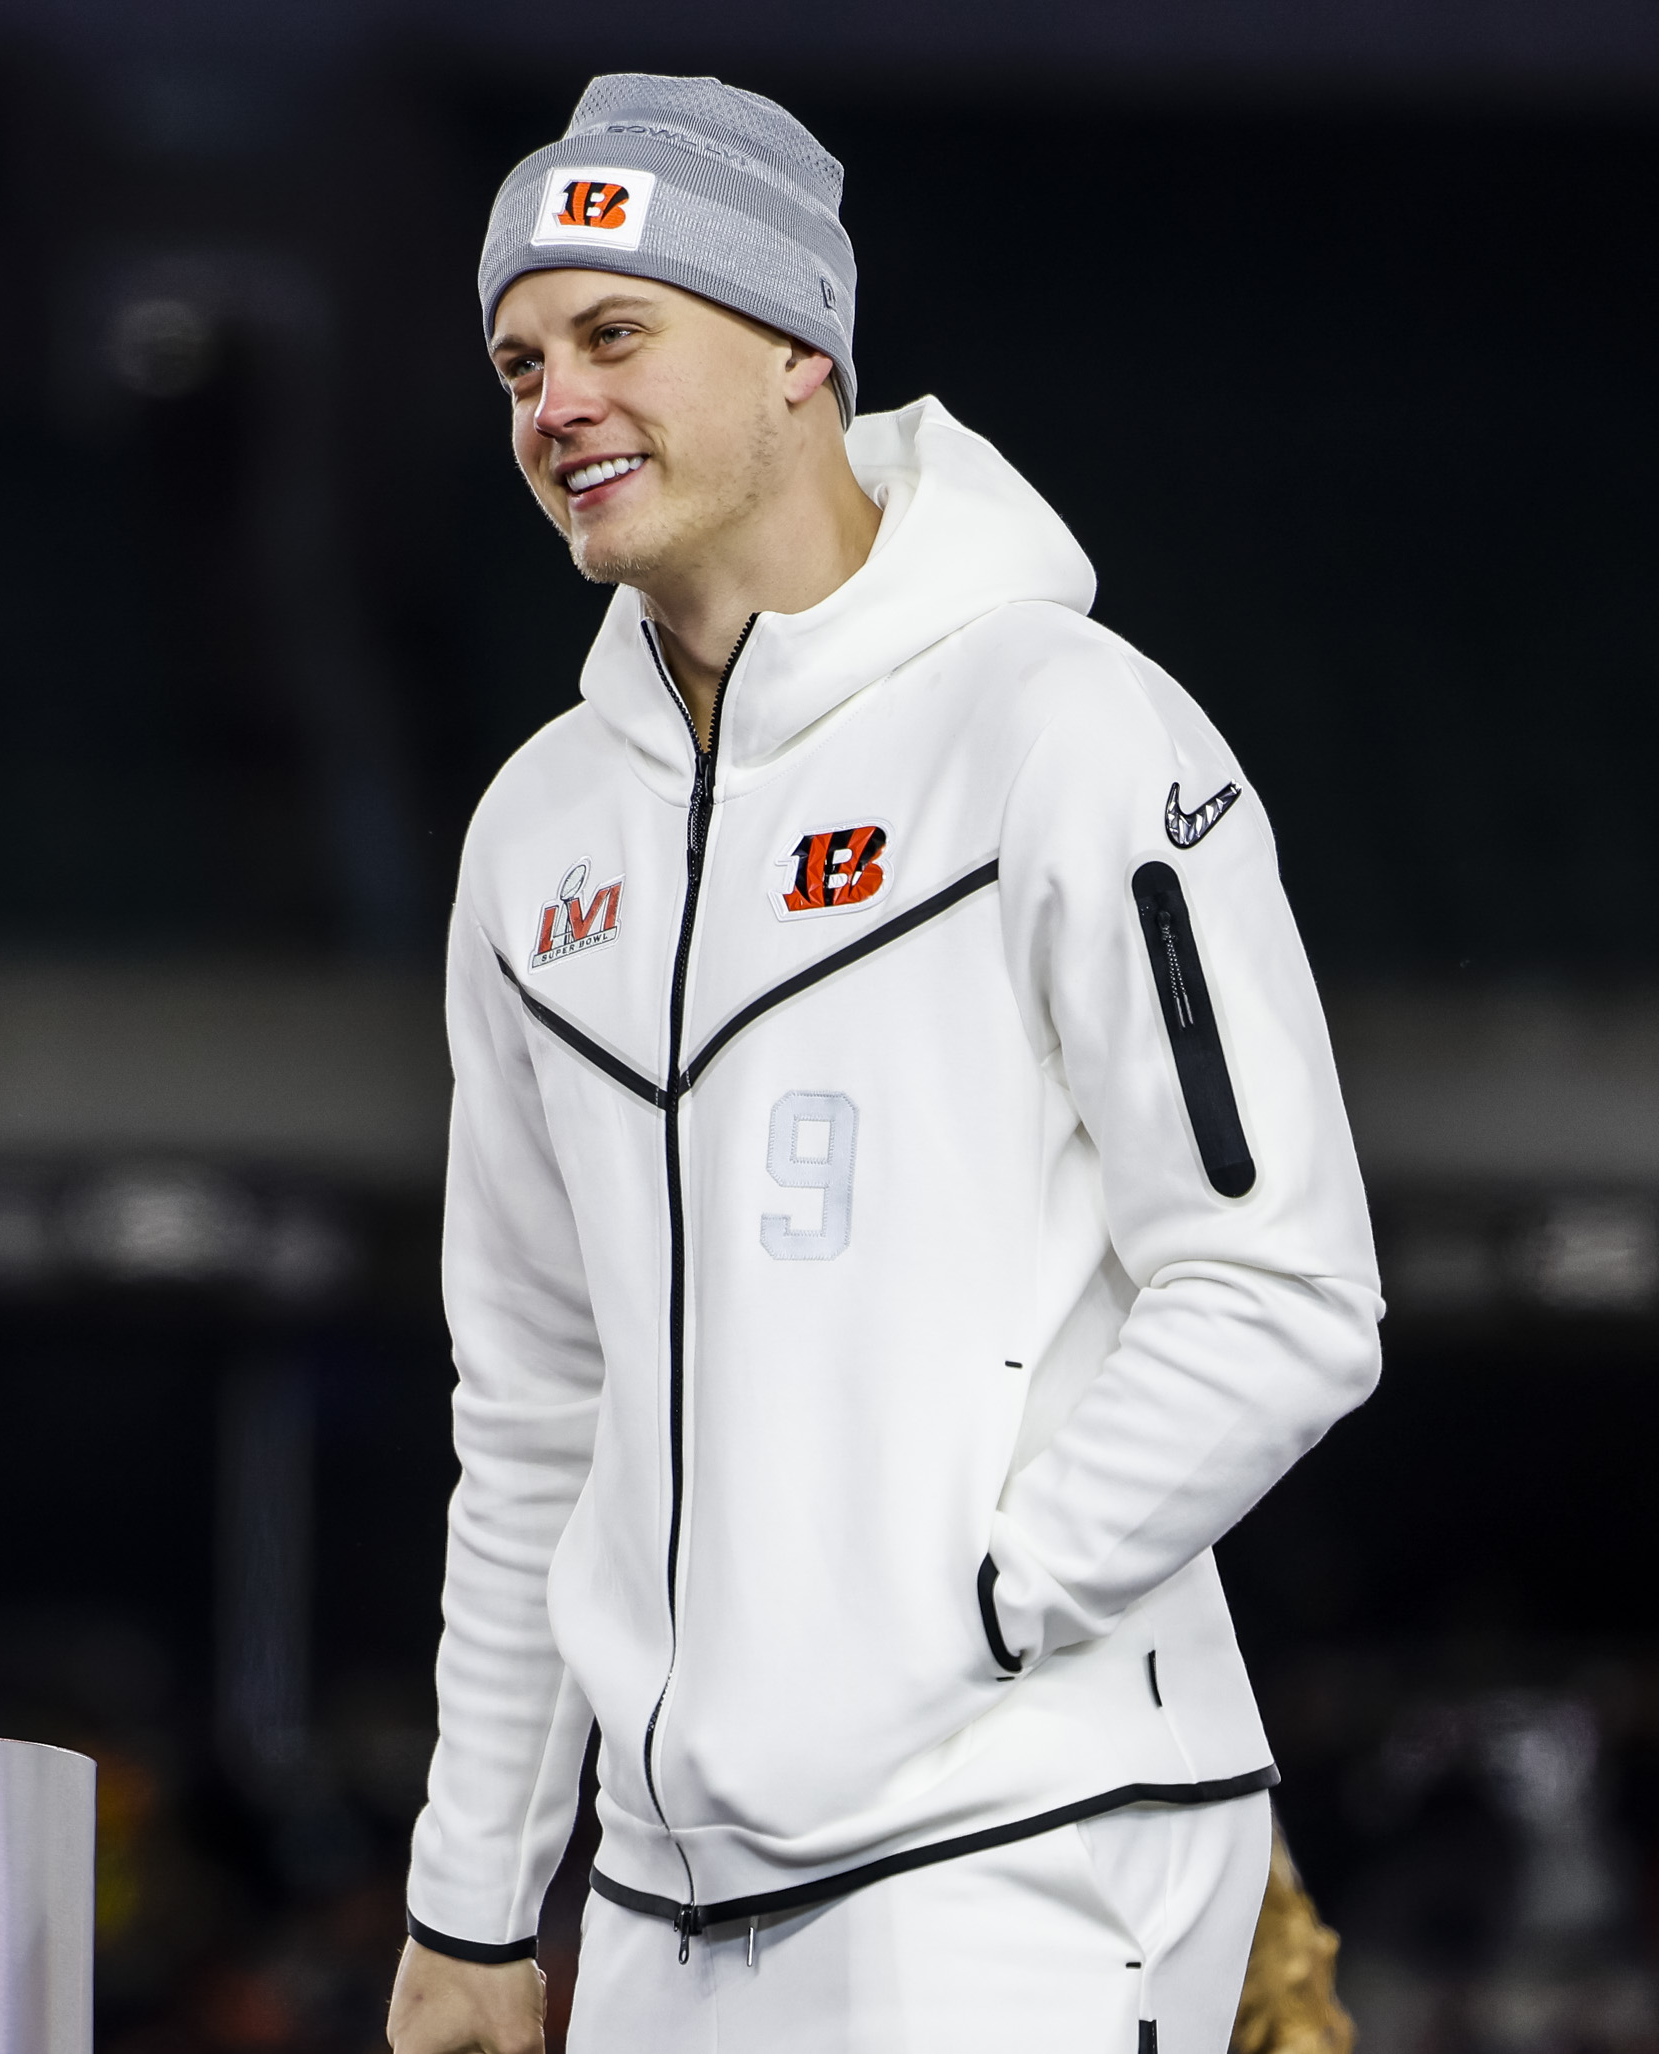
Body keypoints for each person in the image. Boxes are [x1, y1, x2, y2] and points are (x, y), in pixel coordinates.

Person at [384, 73, 1381, 2054]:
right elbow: (533, 1415)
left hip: (1018, 1840)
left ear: (797, 355)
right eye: (518, 362)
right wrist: (473, 1900)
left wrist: (972, 1613)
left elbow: (1283, 1292)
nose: (553, 402)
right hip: (660, 1900)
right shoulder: (533, 836)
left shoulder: (1064, 727)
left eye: (612, 333)